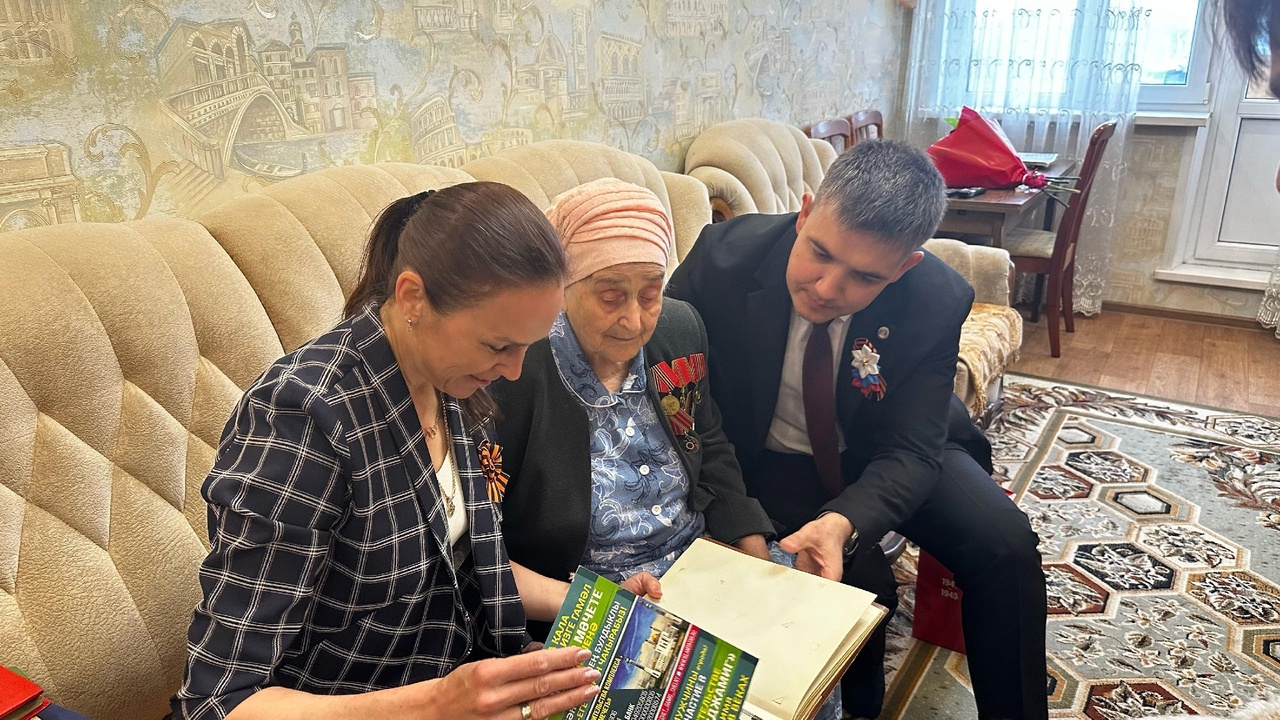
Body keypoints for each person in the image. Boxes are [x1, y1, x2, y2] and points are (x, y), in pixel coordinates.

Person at [173, 182, 600, 720]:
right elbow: (219, 700)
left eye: (527, 347)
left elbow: (466, 562)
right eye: (498, 346)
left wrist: (597, 610)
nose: (514, 371)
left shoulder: (454, 383)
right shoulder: (304, 419)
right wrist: (441, 704)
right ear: (413, 297)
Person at [667, 140, 1047, 720]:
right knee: (859, 592)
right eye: (819, 252)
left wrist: (845, 520)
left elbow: (912, 450)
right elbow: (677, 397)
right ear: (805, 212)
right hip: (764, 457)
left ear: (904, 268)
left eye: (864, 277)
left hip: (889, 449)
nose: (826, 288)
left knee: (1006, 546)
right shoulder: (720, 261)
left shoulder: (937, 297)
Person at [489, 178, 843, 720]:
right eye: (610, 297)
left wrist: (755, 558)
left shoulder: (679, 327)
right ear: (563, 285)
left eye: (650, 293)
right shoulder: (515, 366)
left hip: (700, 559)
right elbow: (481, 534)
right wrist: (594, 605)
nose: (634, 320)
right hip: (588, 590)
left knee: (806, 663)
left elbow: (711, 444)